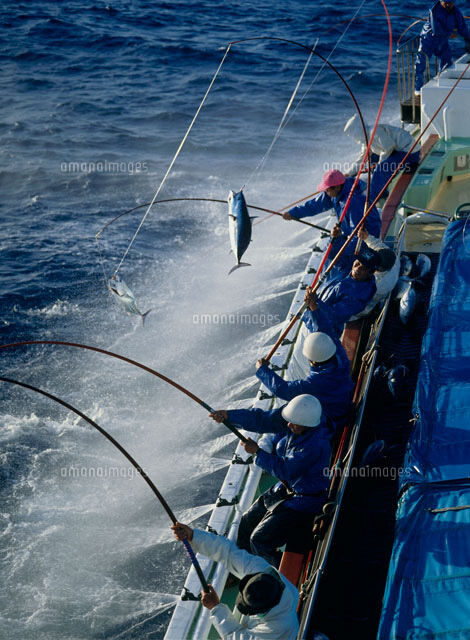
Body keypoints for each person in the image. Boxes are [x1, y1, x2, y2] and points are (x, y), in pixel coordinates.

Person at [211, 395, 331, 567]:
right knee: (246, 521)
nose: (288, 425)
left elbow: (286, 469)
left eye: (293, 423)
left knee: (260, 541)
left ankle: (280, 579)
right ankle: (244, 568)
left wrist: (258, 453)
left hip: (305, 500)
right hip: (286, 490)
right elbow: (262, 419)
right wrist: (229, 416)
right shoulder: (296, 424)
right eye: (289, 421)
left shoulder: (315, 445)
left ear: (308, 424)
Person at [171, 522, 300, 639]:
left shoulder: (279, 629)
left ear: (260, 611)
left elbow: (235, 637)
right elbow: (228, 552)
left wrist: (216, 608)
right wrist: (193, 536)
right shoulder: (262, 572)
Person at [254, 331, 353, 432]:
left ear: (312, 361)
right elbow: (323, 327)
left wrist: (262, 370)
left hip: (335, 420)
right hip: (346, 402)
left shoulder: (314, 383)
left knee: (277, 419)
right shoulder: (338, 352)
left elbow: (282, 389)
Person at [282, 169, 382, 251]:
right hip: (350, 234)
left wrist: (345, 253)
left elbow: (358, 232)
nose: (325, 191)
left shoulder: (353, 202)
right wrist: (293, 213)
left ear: (337, 187)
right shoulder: (335, 192)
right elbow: (315, 205)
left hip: (367, 238)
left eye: (327, 189)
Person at [303, 240, 379, 338]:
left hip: (323, 333)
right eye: (358, 263)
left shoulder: (359, 295)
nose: (357, 269)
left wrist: (315, 303)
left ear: (370, 273)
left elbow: (334, 316)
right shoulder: (350, 270)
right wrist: (336, 240)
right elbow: (333, 256)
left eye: (364, 268)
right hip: (311, 317)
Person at [344, 114, 420, 201]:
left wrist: (380, 166)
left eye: (353, 134)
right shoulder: (366, 139)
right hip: (398, 150)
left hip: (409, 152)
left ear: (357, 131)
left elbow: (389, 147)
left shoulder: (374, 132)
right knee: (372, 159)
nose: (353, 137)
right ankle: (381, 189)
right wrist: (348, 173)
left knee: (380, 170)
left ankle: (372, 200)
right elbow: (362, 158)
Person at [415, 1, 470, 94]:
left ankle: (441, 82)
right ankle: (418, 89)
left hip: (442, 41)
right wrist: (451, 33)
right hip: (428, 39)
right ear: (441, 1)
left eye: (451, 2)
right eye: (446, 2)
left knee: (447, 60)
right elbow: (437, 30)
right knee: (421, 62)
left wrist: (468, 40)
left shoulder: (456, 12)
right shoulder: (434, 11)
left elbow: (462, 28)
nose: (448, 4)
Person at [349, 228, 399, 319]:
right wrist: (366, 237)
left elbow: (358, 293)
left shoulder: (380, 285)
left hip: (360, 309)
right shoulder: (389, 254)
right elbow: (377, 245)